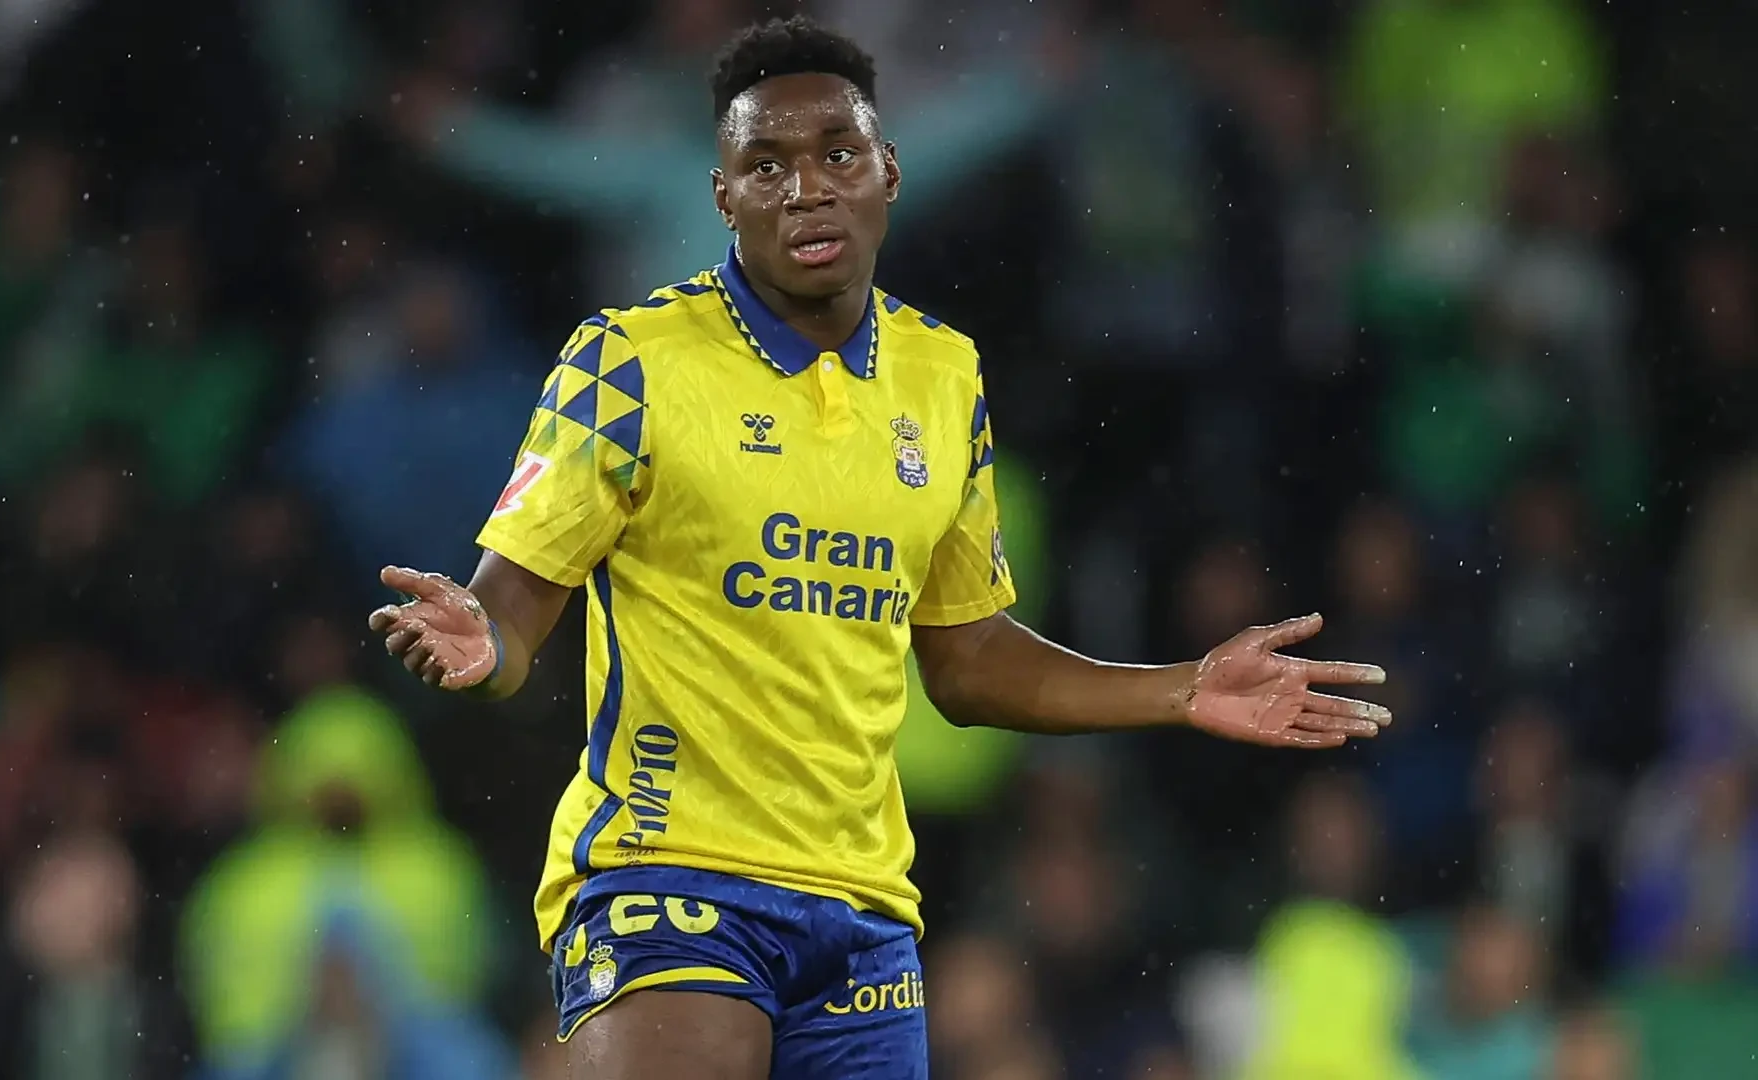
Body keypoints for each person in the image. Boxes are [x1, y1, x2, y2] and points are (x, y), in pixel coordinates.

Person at [367, 17, 1392, 1080]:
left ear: (889, 174)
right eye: (766, 166)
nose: (806, 188)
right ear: (723, 196)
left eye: (837, 155)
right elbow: (513, 611)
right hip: (667, 874)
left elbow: (969, 658)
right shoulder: (627, 363)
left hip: (860, 913)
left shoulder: (942, 378)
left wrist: (1181, 688)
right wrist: (484, 643)